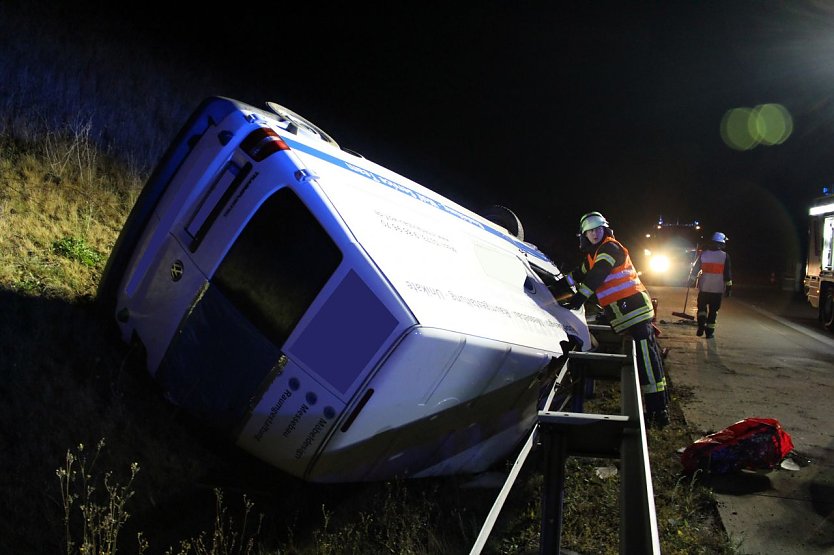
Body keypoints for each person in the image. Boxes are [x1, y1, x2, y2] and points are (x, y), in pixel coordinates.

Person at [556, 211, 670, 427]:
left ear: (605, 229)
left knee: (647, 363)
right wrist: (556, 286)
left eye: (598, 229)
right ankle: (659, 409)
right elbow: (577, 274)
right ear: (583, 235)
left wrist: (580, 298)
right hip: (629, 315)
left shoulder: (610, 248)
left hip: (635, 313)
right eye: (590, 231)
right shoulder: (594, 254)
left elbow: (597, 275)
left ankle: (658, 412)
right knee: (649, 360)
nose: (594, 233)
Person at [692, 232, 732, 338]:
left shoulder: (703, 254)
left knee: (701, 309)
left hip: (704, 287)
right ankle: (709, 333)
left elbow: (695, 268)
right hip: (717, 289)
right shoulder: (725, 256)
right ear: (722, 243)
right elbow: (727, 274)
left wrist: (691, 279)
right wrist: (729, 288)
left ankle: (701, 325)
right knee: (713, 311)